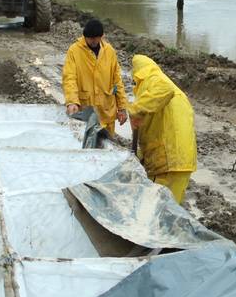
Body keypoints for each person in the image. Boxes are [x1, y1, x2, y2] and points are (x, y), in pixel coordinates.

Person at [127, 54, 197, 204]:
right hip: (182, 161)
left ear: (137, 74)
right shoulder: (174, 90)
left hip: (168, 161)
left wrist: (135, 110)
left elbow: (165, 89)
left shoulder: (154, 80)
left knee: (157, 209)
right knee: (171, 210)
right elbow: (158, 128)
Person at [62, 19, 127, 135]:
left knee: (106, 147)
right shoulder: (74, 51)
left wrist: (122, 108)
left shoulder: (109, 52)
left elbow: (117, 81)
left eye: (96, 38)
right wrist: (72, 101)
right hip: (86, 110)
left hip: (106, 111)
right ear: (85, 36)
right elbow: (69, 78)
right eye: (90, 38)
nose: (93, 41)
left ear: (101, 36)